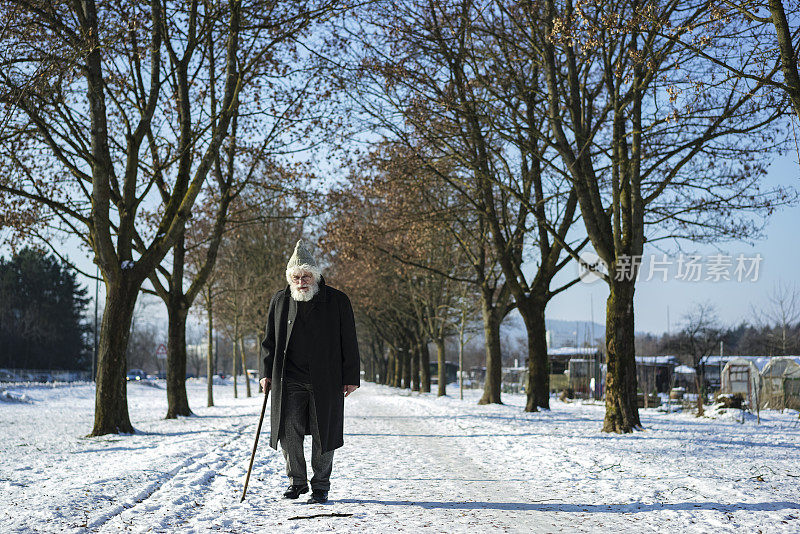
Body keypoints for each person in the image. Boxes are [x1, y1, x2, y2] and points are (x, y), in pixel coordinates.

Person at [259, 240, 360, 504]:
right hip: (289, 378)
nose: (301, 281)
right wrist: (265, 372)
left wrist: (351, 377)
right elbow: (268, 340)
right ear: (290, 278)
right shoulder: (280, 301)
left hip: (326, 379)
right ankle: (297, 482)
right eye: (296, 277)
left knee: (322, 432)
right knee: (288, 431)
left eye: (305, 276)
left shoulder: (337, 301)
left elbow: (349, 340)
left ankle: (321, 486)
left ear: (315, 276)